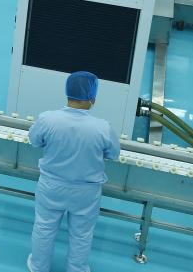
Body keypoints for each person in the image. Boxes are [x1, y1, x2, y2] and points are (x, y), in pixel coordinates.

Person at [27, 71, 121, 272]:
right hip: (86, 192)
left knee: (44, 227)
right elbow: (113, 154)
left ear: (67, 93)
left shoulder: (48, 119)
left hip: (51, 186)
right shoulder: (102, 128)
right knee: (82, 234)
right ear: (92, 98)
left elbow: (34, 140)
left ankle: (38, 266)